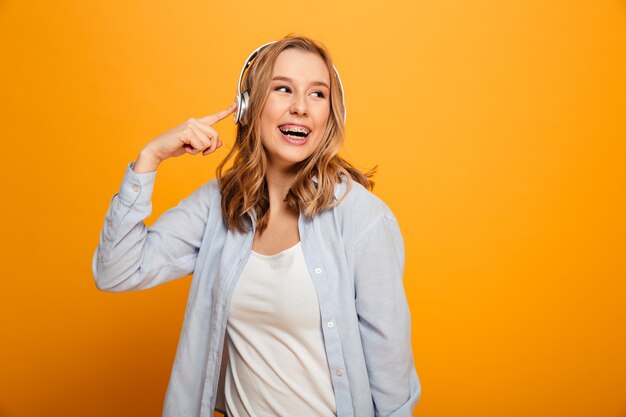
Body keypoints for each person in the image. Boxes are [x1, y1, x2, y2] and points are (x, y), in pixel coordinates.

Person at [92, 35, 421, 417]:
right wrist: (149, 159)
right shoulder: (218, 205)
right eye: (283, 89)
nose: (300, 107)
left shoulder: (363, 218)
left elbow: (390, 369)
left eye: (317, 94)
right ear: (248, 105)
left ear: (330, 114)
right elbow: (116, 271)